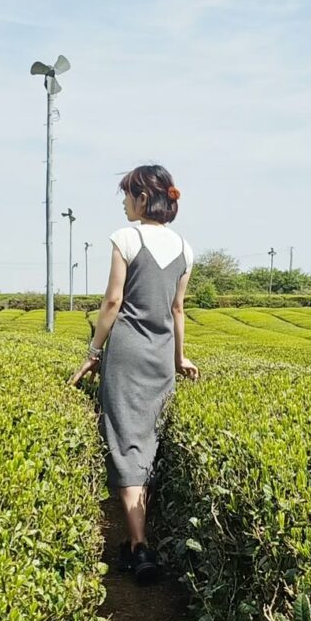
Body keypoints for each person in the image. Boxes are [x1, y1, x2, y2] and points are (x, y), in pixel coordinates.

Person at [69, 164, 199, 585]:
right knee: (149, 442)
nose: (124, 202)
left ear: (143, 198)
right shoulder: (185, 248)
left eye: (127, 194)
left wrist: (93, 353)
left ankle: (139, 546)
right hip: (160, 357)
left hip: (125, 353)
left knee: (125, 444)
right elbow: (178, 310)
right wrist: (180, 358)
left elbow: (112, 303)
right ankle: (137, 541)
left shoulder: (126, 238)